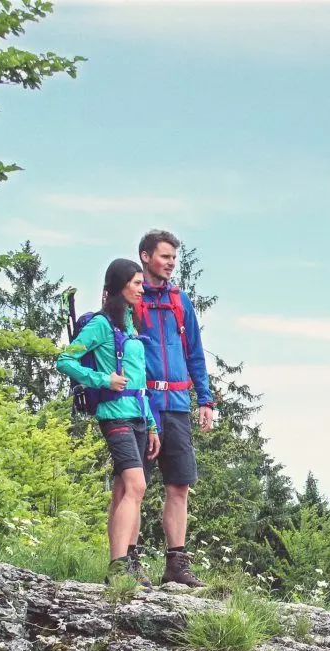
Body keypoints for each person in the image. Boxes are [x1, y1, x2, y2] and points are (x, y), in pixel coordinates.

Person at [55, 259, 161, 586]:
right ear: (119, 286)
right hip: (114, 415)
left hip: (140, 415)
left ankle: (130, 560)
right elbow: (65, 360)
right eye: (136, 283)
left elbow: (141, 378)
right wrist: (102, 378)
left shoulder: (131, 324)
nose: (142, 289)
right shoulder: (101, 325)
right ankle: (117, 567)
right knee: (136, 485)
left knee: (126, 490)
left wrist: (153, 425)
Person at [133, 228, 215, 587]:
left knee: (179, 485)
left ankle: (176, 566)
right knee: (132, 486)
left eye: (174, 259)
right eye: (165, 257)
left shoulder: (181, 303)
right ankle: (128, 561)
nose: (170, 264)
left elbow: (195, 353)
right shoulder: (130, 299)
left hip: (178, 405)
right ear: (145, 256)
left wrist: (206, 399)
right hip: (141, 406)